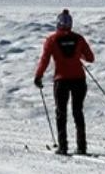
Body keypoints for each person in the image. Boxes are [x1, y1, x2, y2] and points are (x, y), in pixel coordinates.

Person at [34, 9, 95, 155]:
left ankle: (63, 146)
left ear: (58, 23)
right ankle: (82, 146)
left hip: (61, 80)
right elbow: (90, 58)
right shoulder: (79, 39)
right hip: (79, 79)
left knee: (61, 113)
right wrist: (77, 56)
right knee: (77, 112)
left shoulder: (52, 40)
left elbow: (45, 60)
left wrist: (38, 76)